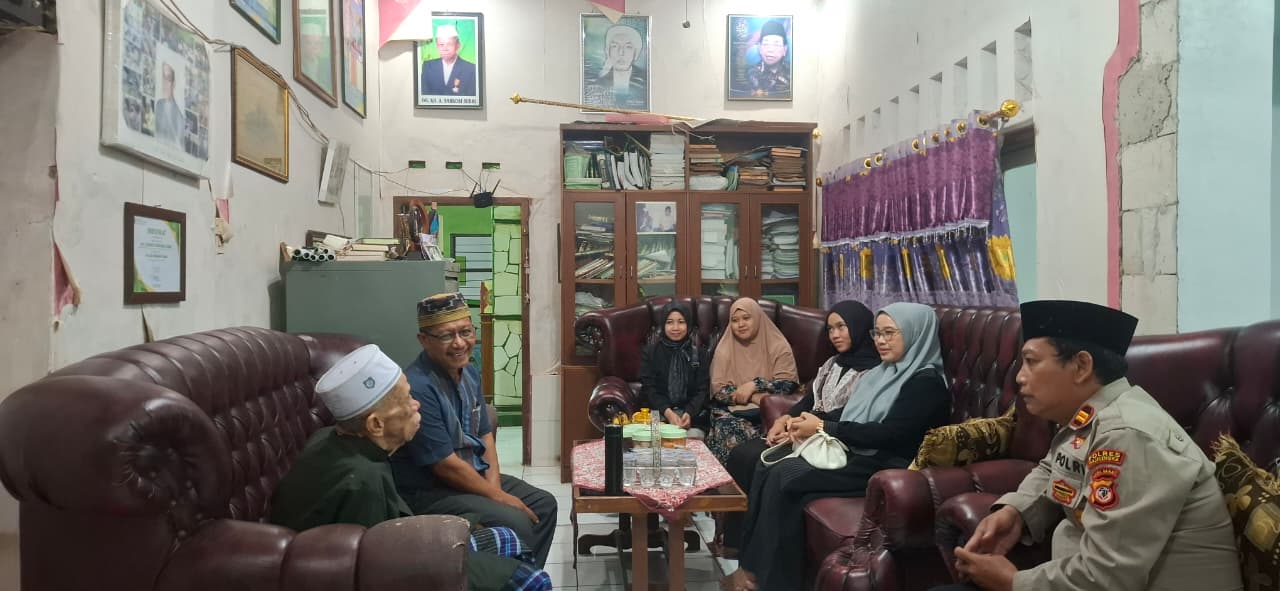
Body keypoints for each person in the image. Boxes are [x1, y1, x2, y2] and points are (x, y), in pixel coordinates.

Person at [935, 300, 1242, 591]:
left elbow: (1108, 576)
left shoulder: (1128, 434)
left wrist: (1014, 583)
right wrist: (1016, 511)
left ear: (1081, 366)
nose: (1019, 378)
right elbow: (1055, 467)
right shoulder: (1091, 417)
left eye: (1031, 362)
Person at [269, 344, 551, 591]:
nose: (416, 404)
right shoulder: (363, 480)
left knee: (507, 539)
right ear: (375, 424)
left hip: (394, 545)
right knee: (533, 579)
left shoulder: (333, 438)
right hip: (398, 566)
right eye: (406, 399)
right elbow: (377, 569)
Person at [722, 302, 951, 591]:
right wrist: (803, 421)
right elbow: (850, 414)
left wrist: (822, 427)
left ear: (916, 334)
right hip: (858, 452)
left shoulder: (926, 383)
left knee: (784, 476)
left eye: (890, 333)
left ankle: (771, 581)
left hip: (886, 466)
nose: (880, 341)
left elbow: (890, 434)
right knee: (771, 467)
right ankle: (753, 568)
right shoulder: (885, 372)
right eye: (877, 333)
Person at [391, 292, 558, 567]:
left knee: (543, 504)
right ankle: (508, 577)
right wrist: (497, 498)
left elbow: (484, 434)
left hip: (470, 473)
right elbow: (444, 465)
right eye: (446, 336)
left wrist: (495, 490)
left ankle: (524, 577)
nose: (459, 343)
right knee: (515, 519)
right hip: (431, 489)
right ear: (424, 340)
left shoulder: (469, 372)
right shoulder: (418, 386)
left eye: (465, 332)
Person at [716, 300, 882, 556]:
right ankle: (735, 543)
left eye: (842, 327)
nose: (835, 335)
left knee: (763, 462)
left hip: (831, 438)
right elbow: (809, 400)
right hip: (806, 428)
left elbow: (851, 415)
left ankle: (759, 549)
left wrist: (799, 425)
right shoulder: (833, 363)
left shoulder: (875, 372)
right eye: (830, 329)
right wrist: (783, 420)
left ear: (859, 327)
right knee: (742, 454)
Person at [705, 298, 800, 465]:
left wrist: (755, 385)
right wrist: (754, 397)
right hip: (731, 412)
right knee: (728, 428)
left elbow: (787, 384)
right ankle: (730, 481)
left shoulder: (778, 345)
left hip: (772, 413)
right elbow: (719, 391)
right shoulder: (724, 349)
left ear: (757, 318)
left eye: (746, 318)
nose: (740, 324)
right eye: (735, 320)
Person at [639, 302, 710, 438]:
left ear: (688, 324)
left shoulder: (700, 354)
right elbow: (649, 389)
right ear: (663, 325)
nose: (675, 328)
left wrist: (689, 413)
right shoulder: (651, 352)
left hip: (691, 417)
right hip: (658, 414)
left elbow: (703, 390)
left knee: (689, 440)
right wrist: (668, 413)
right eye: (670, 322)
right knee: (654, 440)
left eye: (681, 322)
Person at [588, 23, 647, 109]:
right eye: (615, 46)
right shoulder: (598, 84)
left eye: (628, 47)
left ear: (636, 53)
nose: (621, 53)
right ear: (607, 51)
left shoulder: (645, 82)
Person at [420, 24, 477, 96]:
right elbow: (424, 95)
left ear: (458, 46)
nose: (445, 49)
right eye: (441, 44)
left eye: (449, 44)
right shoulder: (428, 66)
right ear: (437, 46)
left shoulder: (471, 69)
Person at [746, 19, 790, 97]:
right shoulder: (749, 73)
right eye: (766, 44)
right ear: (760, 48)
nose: (770, 50)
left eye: (776, 44)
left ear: (784, 49)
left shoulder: (791, 72)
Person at [154, 63, 183, 146]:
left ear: (174, 83)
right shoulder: (159, 104)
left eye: (168, 78)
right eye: (163, 78)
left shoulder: (179, 117)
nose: (164, 83)